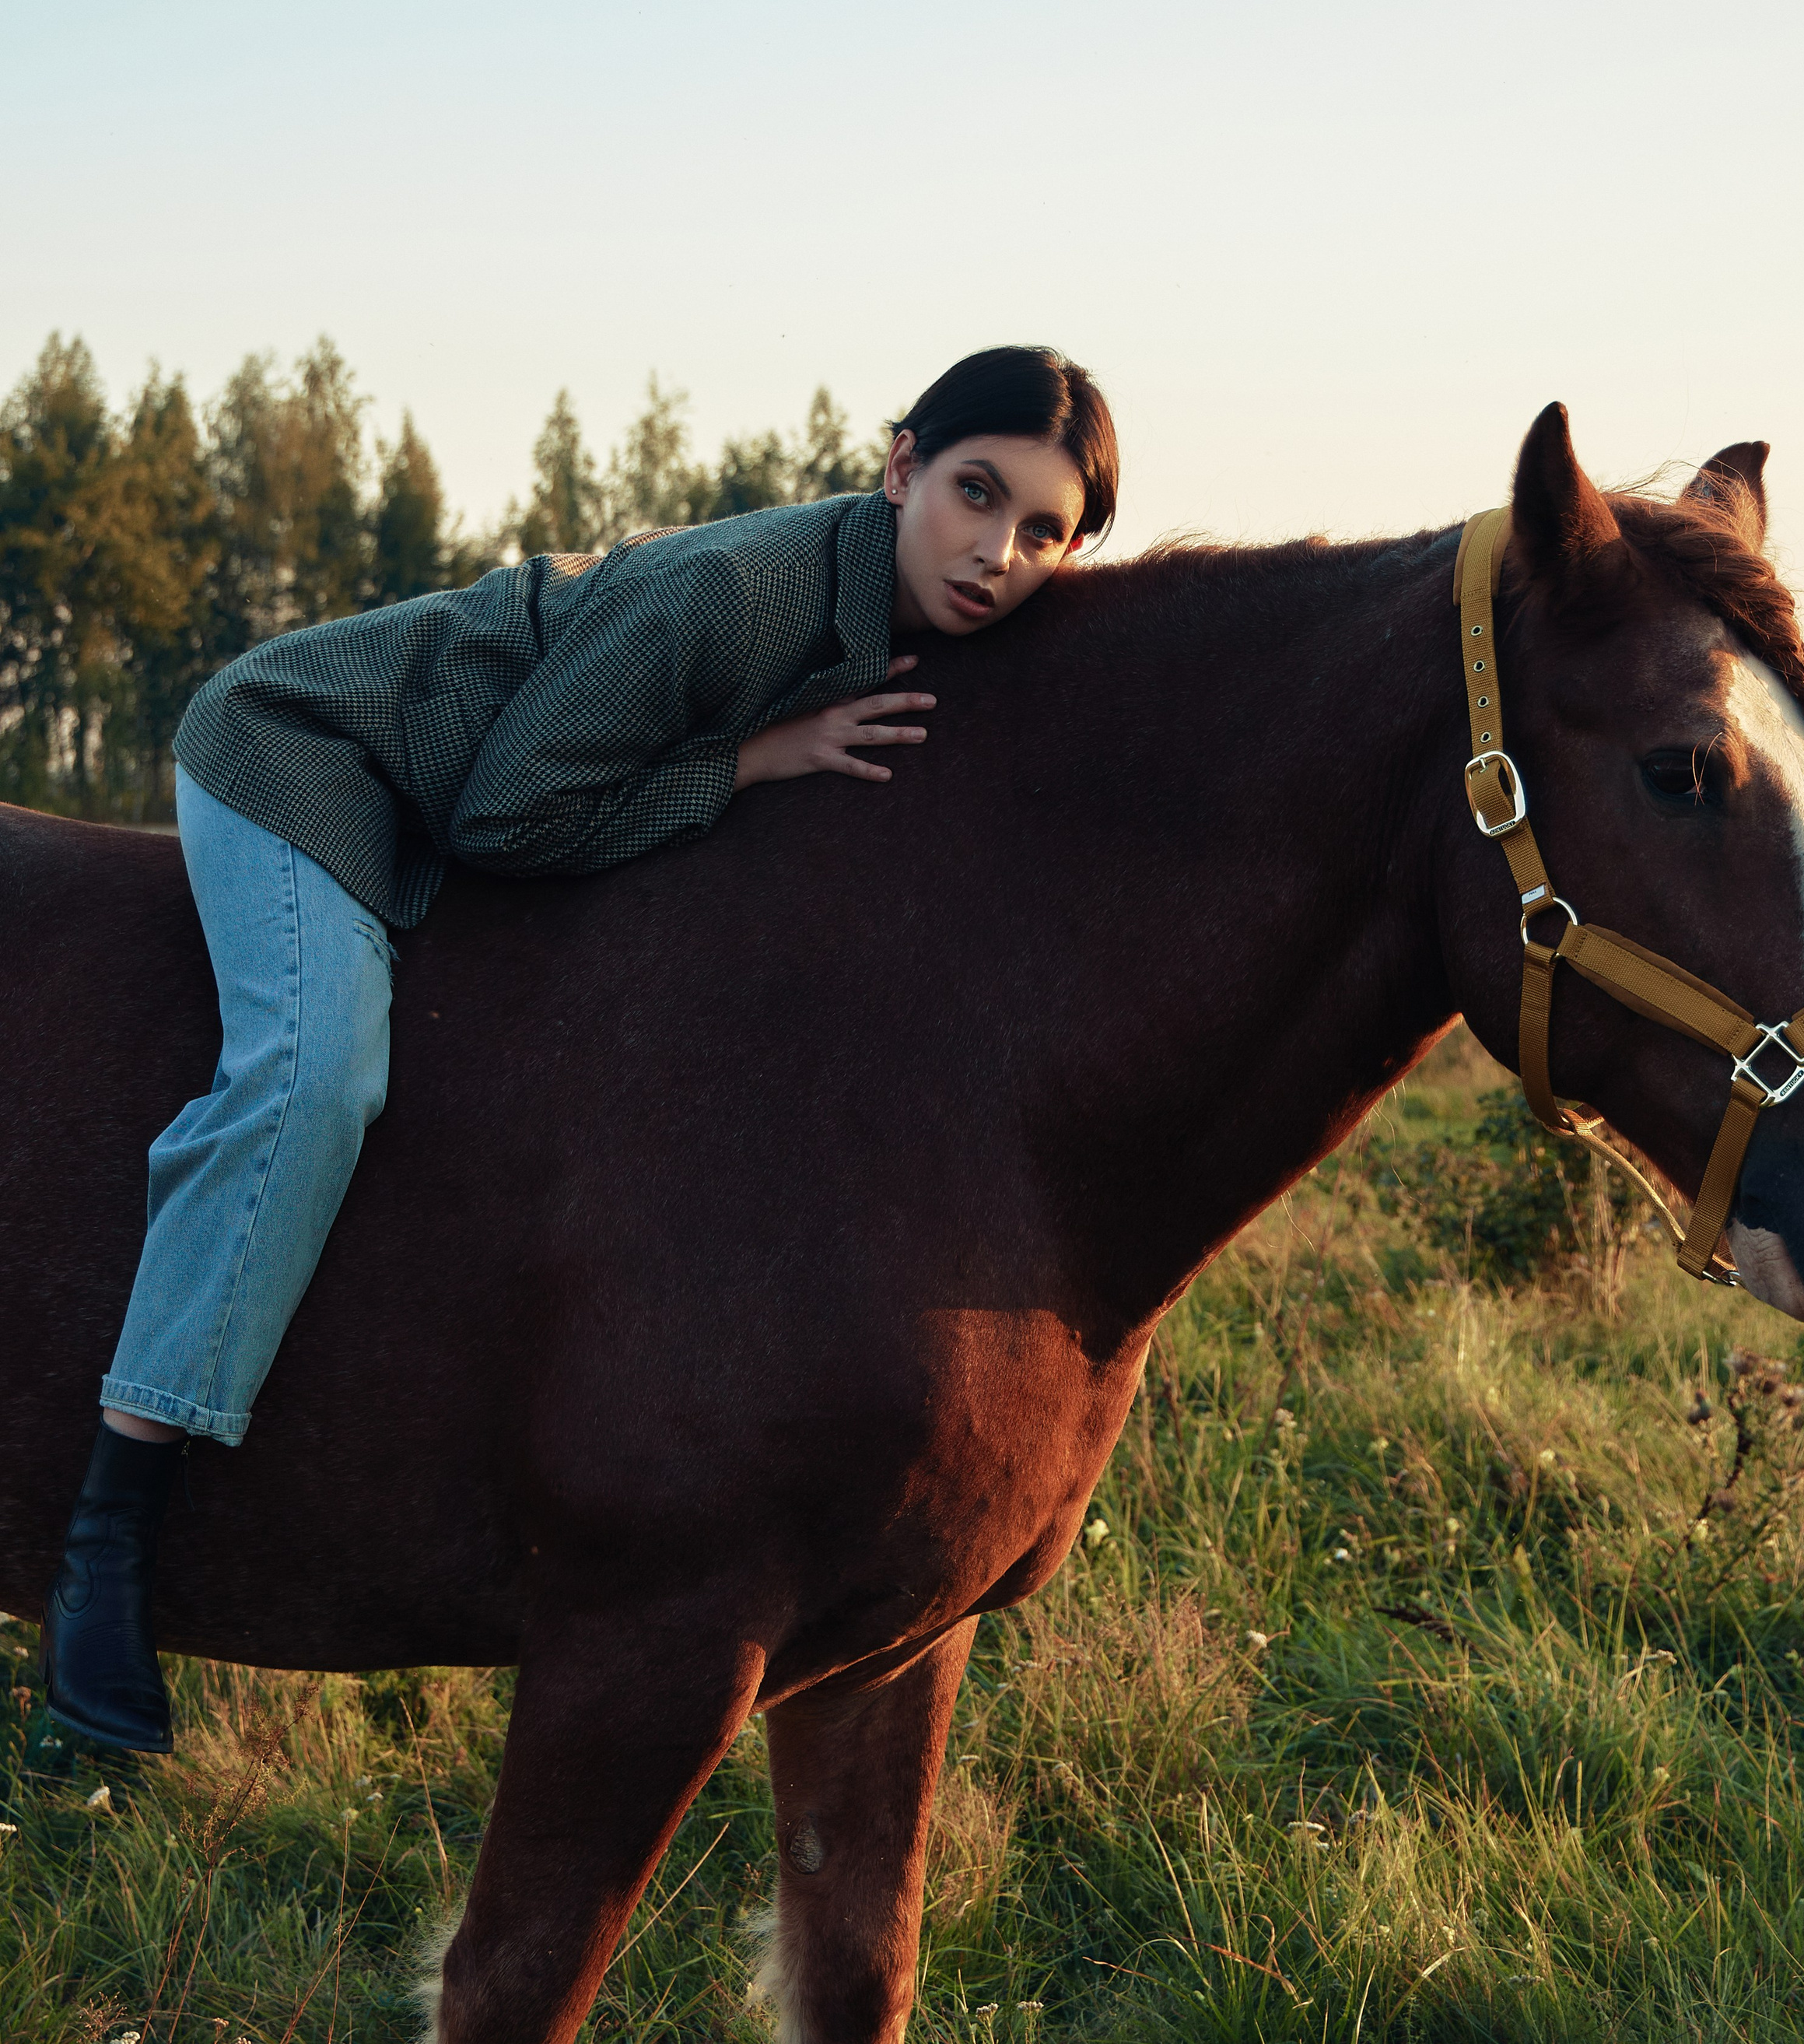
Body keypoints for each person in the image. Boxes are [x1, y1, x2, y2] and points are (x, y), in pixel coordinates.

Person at [41, 345, 1119, 1755]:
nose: (996, 553)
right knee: (315, 1079)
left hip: (433, 804)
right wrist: (754, 761)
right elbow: (509, 817)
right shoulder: (739, 592)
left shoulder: (936, 617)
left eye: (1043, 531)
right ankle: (108, 1534)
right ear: (902, 464)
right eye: (975, 493)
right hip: (312, 756)